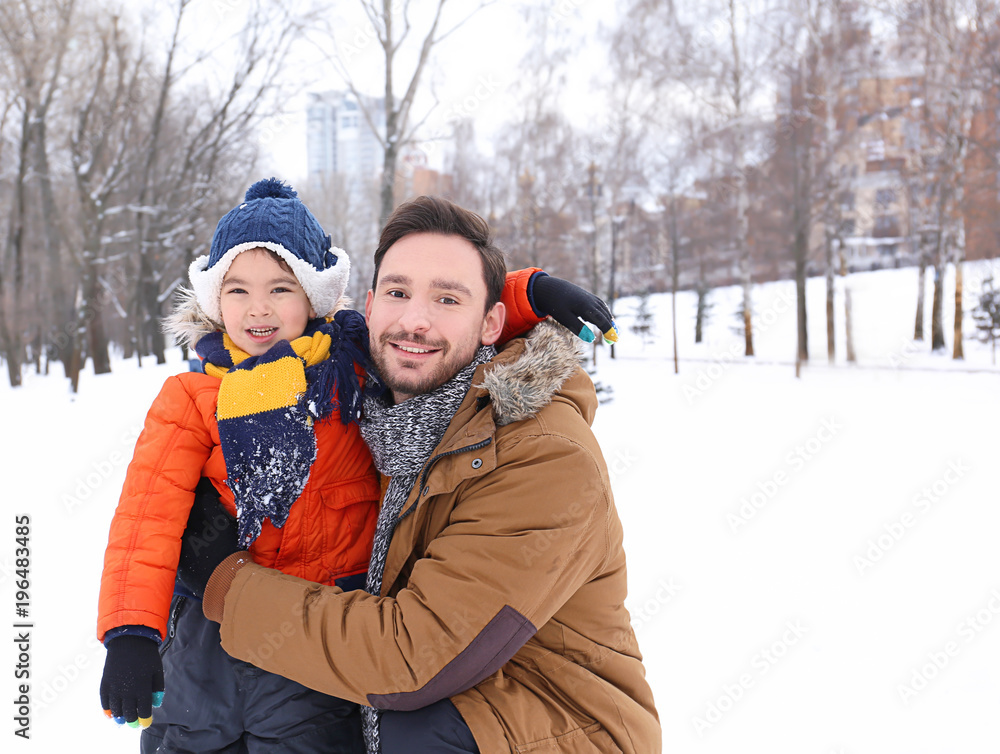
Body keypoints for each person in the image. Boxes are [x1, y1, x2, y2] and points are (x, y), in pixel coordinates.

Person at [96, 181, 597, 753]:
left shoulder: (347, 371)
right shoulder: (189, 399)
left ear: (314, 299)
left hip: (315, 641)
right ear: (214, 301)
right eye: (237, 290)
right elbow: (145, 518)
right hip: (204, 648)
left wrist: (529, 294)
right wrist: (130, 634)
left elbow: (431, 320)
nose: (258, 308)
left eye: (280, 288)